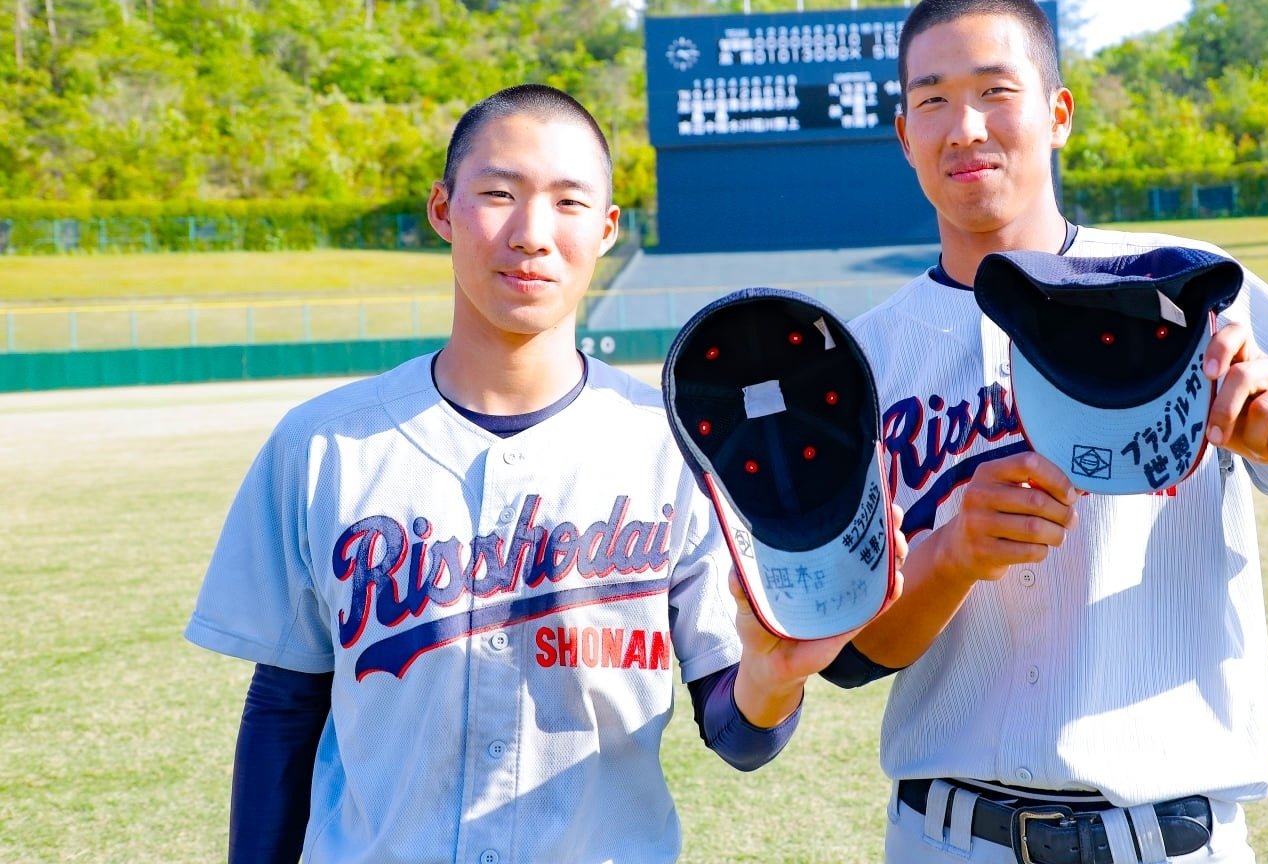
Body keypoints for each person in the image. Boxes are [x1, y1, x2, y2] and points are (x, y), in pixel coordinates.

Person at [185, 84, 885, 864]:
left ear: (608, 229)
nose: (532, 234)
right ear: (443, 210)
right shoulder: (323, 446)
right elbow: (284, 707)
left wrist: (771, 676)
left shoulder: (678, 447)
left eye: (569, 202)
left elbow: (739, 735)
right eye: (498, 193)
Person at [824, 0, 1268, 863]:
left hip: (1172, 834)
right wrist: (952, 556)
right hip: (950, 836)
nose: (968, 127)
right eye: (934, 101)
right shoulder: (862, 361)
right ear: (904, 134)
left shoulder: (1194, 286)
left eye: (997, 92)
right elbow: (849, 656)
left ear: (1058, 113)